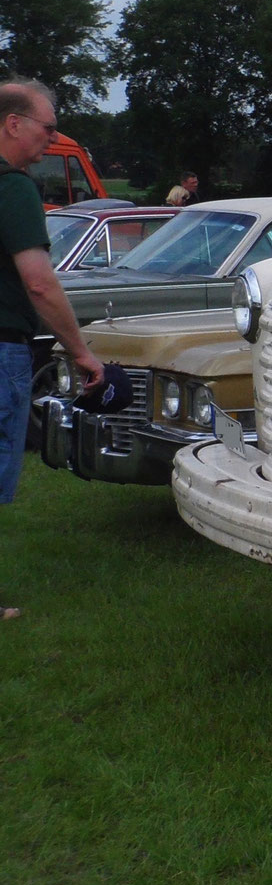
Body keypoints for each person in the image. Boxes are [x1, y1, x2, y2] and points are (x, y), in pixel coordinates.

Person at [1, 78, 106, 620]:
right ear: (13, 124)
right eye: (47, 127)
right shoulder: (13, 189)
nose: (52, 137)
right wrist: (82, 353)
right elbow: (39, 283)